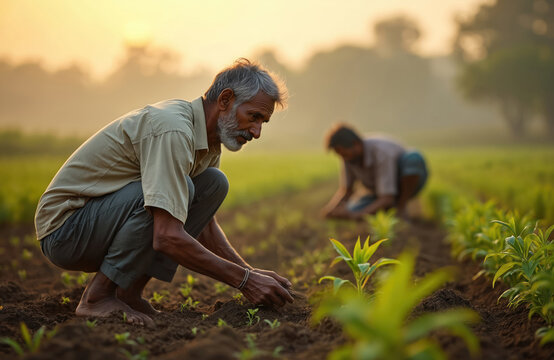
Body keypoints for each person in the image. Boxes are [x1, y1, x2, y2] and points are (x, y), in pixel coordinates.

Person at [34, 59, 293, 327]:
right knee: (164, 198)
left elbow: (202, 224)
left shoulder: (208, 139)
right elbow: (167, 236)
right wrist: (244, 281)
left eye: (263, 122)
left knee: (213, 183)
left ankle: (128, 292)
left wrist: (249, 272)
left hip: (99, 221)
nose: (257, 132)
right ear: (225, 100)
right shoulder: (174, 129)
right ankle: (97, 298)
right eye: (254, 117)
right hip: (66, 229)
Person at [321, 124, 428, 221]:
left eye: (343, 153)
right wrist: (330, 210)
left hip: (404, 184)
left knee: (414, 158)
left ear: (356, 144)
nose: (342, 157)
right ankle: (389, 208)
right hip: (379, 192)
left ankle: (401, 207)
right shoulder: (348, 158)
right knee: (351, 209)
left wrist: (357, 215)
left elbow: (387, 198)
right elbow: (346, 190)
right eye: (339, 154)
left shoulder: (381, 151)